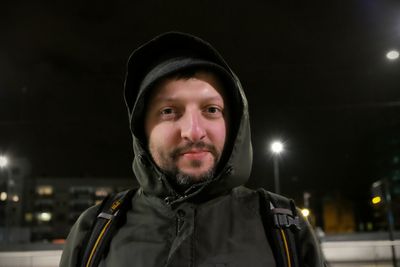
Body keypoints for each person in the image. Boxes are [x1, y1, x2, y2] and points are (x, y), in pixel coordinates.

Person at [60, 32, 325, 267]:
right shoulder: (94, 229)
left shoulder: (285, 227)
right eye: (168, 111)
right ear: (142, 129)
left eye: (211, 110)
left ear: (233, 125)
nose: (194, 131)